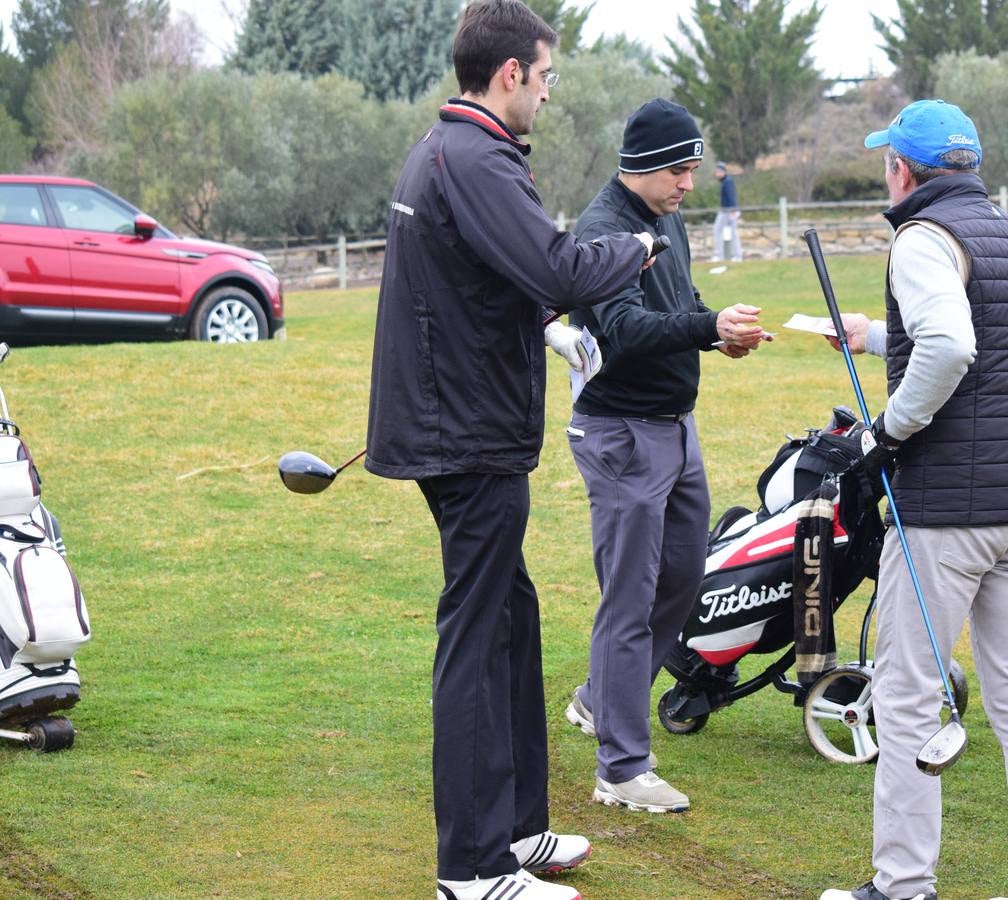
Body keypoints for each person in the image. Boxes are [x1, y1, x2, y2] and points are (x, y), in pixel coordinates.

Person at [363, 3, 663, 898]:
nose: (547, 90)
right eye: (546, 75)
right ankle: (473, 867)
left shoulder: (450, 151)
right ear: (509, 76)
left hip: (458, 424)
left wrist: (548, 330)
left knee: (511, 620)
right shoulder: (477, 156)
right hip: (467, 436)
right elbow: (560, 266)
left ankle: (519, 829)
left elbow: (486, 281)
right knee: (475, 633)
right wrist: (640, 246)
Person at [819, 99, 1008, 900]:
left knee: (903, 698)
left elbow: (954, 343)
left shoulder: (922, 237)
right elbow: (985, 335)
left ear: (903, 169)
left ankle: (901, 885)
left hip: (948, 510)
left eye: (886, 161)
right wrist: (871, 335)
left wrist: (885, 433)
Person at [560, 98, 767, 813]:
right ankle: (621, 768)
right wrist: (706, 326)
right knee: (630, 599)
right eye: (679, 169)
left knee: (680, 582)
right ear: (644, 166)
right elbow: (622, 329)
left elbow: (682, 301)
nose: (688, 183)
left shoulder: (666, 222)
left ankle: (599, 697)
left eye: (692, 169)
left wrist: (719, 333)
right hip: (620, 435)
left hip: (677, 429)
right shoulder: (602, 232)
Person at [711, 161, 743, 262]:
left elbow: (731, 196)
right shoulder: (726, 181)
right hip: (727, 210)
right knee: (726, 232)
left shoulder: (727, 181)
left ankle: (730, 255)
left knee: (721, 231)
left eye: (718, 171)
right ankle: (734, 255)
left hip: (728, 211)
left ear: (722, 171)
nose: (716, 173)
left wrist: (733, 211)